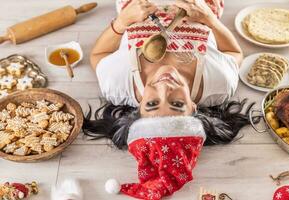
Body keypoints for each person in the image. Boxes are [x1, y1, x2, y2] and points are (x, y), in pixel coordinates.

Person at [83, 1, 258, 199]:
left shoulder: (118, 84)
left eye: (152, 103)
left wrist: (122, 22)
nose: (165, 87)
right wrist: (209, 19)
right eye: (177, 104)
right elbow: (234, 53)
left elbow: (99, 54)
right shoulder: (218, 84)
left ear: (138, 108)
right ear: (193, 109)